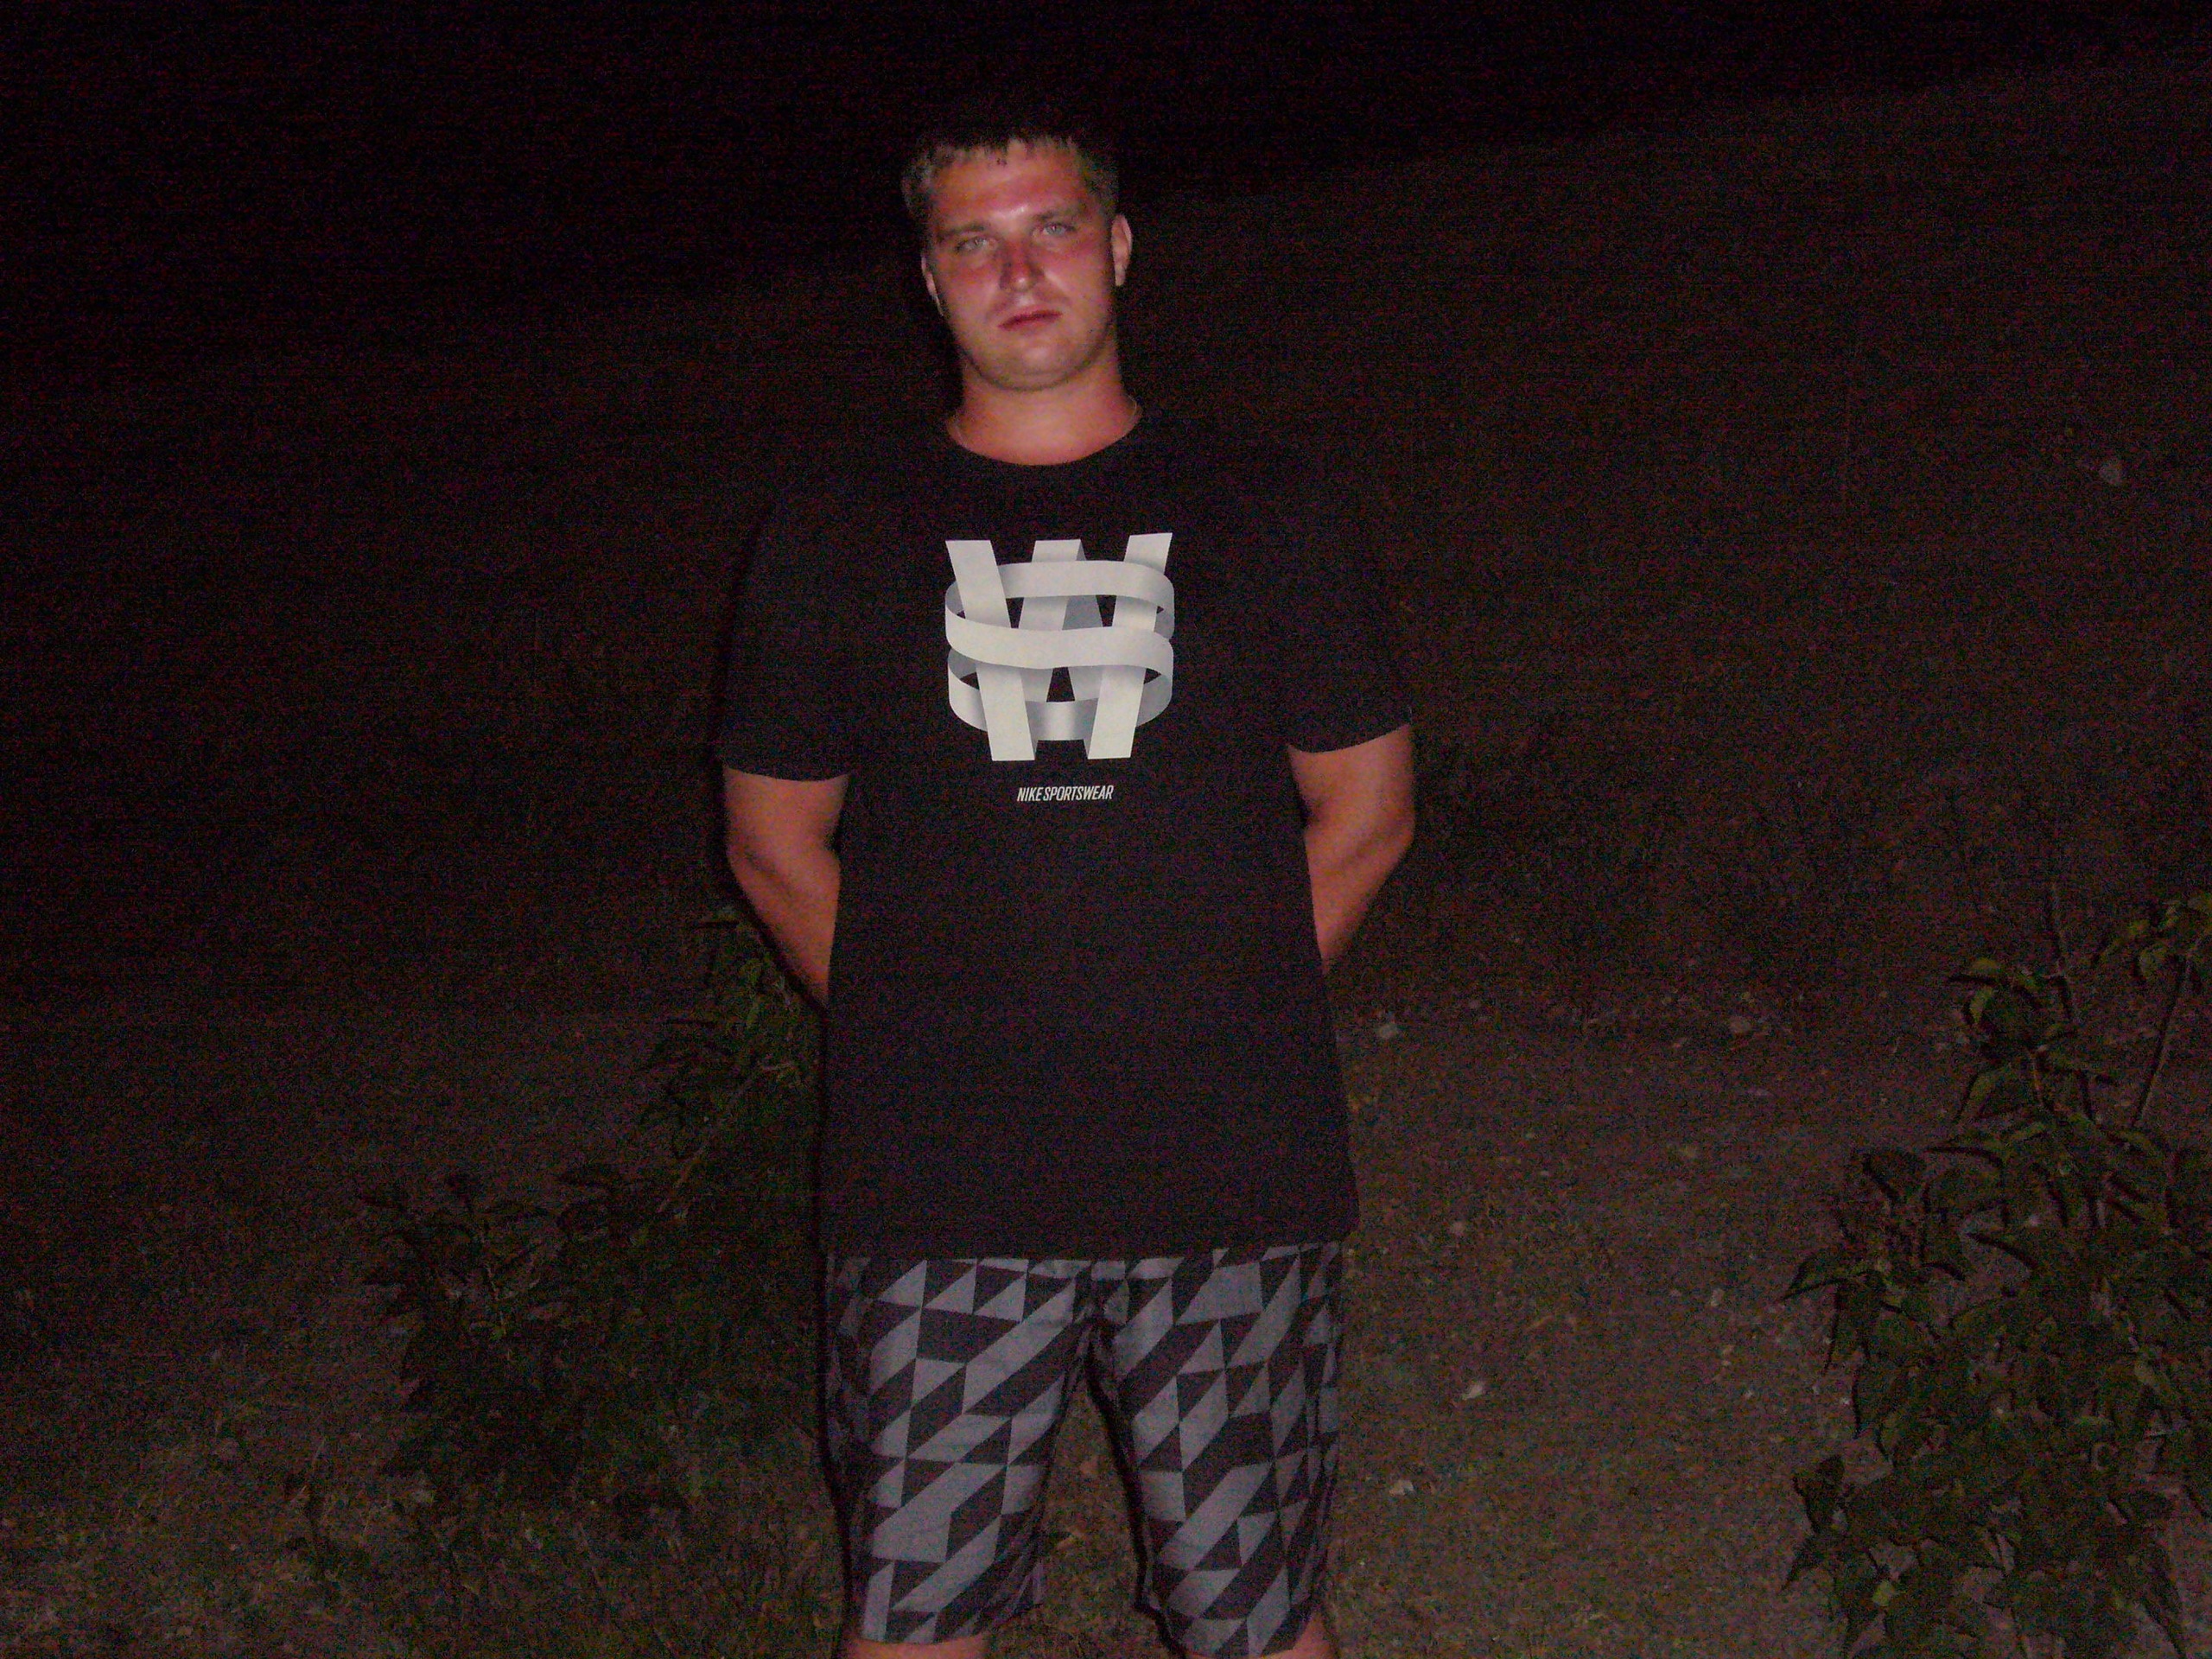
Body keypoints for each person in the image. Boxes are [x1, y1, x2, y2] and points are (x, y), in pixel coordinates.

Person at [718, 107, 1414, 1659]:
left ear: (1117, 247)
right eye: (973, 242)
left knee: (1256, 1613)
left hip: (1228, 1167)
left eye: (1050, 229)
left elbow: (1367, 812)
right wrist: (920, 1037)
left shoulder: (1268, 506)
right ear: (929, 280)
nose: (1016, 271)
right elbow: (770, 841)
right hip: (936, 1184)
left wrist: (1218, 1018)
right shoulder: (837, 525)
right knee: (916, 1615)